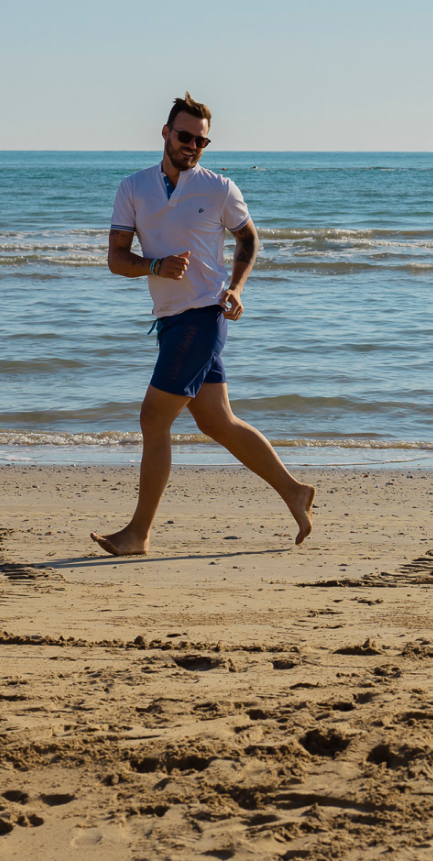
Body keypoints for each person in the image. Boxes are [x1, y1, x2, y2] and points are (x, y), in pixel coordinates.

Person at [91, 93, 314, 556]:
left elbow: (249, 239)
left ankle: (138, 534)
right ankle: (295, 491)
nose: (192, 145)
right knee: (218, 421)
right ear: (166, 133)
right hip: (169, 320)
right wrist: (154, 267)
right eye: (185, 135)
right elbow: (115, 259)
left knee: (153, 419)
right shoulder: (133, 188)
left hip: (204, 315)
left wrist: (237, 288)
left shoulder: (220, 188)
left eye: (201, 140)